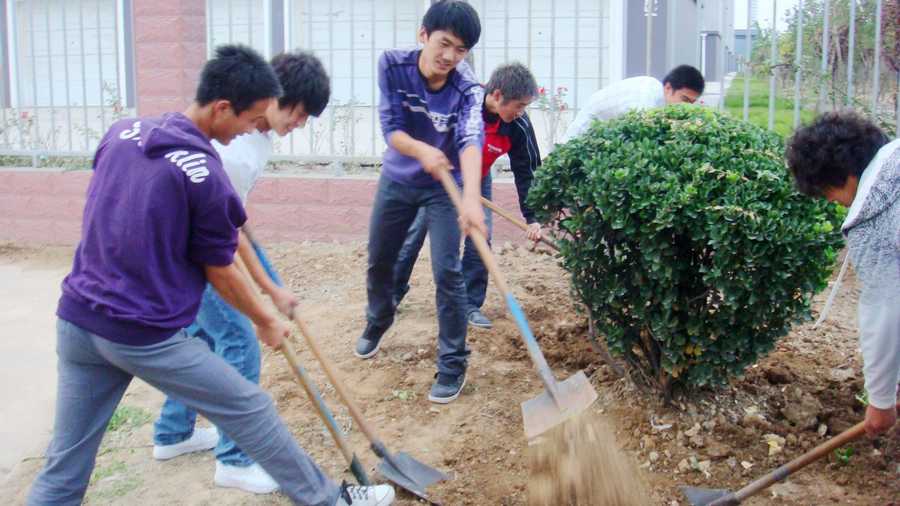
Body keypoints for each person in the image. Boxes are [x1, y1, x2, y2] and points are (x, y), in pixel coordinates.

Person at [27, 44, 393, 506]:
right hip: (139, 332)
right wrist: (264, 317)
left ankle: (168, 438)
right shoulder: (206, 173)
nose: (249, 129)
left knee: (64, 469)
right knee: (250, 405)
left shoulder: (120, 133)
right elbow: (220, 269)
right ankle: (329, 499)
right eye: (249, 119)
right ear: (222, 107)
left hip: (77, 321)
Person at [151, 51, 334, 495]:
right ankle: (234, 459)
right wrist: (266, 292)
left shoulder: (256, 137)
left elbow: (234, 214)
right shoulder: (235, 147)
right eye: (299, 112)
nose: (300, 123)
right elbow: (223, 234)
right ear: (274, 98)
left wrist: (268, 274)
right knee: (237, 339)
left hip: (200, 243)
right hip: (199, 255)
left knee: (201, 340)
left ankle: (172, 434)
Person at [354, 0, 486, 404]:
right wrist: (421, 150)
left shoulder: (468, 88)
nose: (449, 57)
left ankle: (452, 365)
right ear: (423, 35)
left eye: (460, 50)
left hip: (444, 186)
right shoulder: (393, 66)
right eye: (444, 44)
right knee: (381, 259)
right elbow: (391, 128)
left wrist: (471, 199)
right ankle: (379, 318)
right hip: (399, 178)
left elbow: (469, 139)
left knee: (447, 272)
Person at [392, 62, 542, 329]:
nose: (521, 113)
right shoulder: (461, 103)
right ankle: (390, 295)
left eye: (524, 107)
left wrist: (533, 216)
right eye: (518, 105)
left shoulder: (518, 126)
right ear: (497, 95)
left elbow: (526, 171)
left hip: (478, 176)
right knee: (415, 231)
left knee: (480, 235)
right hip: (441, 173)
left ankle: (468, 304)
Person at [785, 111, 899, 438]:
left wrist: (879, 400)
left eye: (826, 193)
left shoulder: (870, 215)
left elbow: (884, 307)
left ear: (844, 176)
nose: (835, 203)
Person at [561, 64, 705, 143]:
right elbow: (642, 138)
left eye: (691, 103)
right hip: (590, 126)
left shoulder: (661, 101)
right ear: (668, 88)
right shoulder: (646, 97)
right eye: (684, 99)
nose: (687, 107)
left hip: (607, 134)